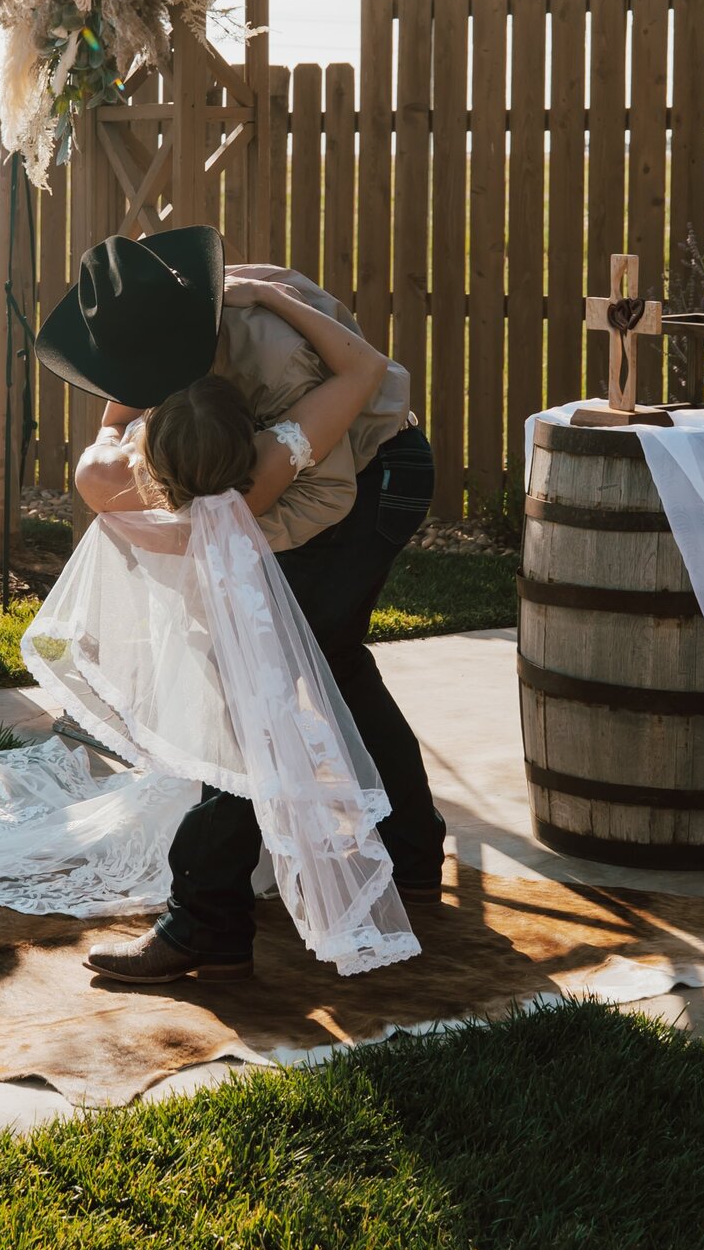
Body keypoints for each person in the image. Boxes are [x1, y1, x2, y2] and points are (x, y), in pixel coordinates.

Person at [34, 226, 443, 983]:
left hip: (368, 478)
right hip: (283, 482)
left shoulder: (270, 359)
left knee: (254, 687)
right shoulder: (166, 341)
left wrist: (225, 529)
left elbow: (324, 485)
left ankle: (206, 923)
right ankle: (413, 853)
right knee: (332, 664)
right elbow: (124, 427)